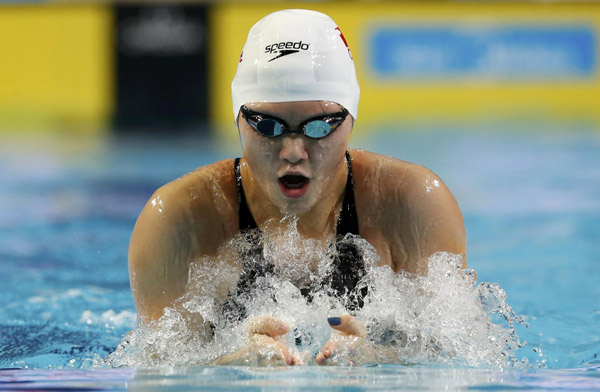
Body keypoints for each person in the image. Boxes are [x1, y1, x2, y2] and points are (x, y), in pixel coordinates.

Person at [128, 9, 466, 366]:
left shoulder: (412, 203)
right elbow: (156, 373)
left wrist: (377, 360)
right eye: (268, 126)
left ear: (351, 119)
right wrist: (232, 364)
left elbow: (459, 358)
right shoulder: (178, 220)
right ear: (238, 119)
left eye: (319, 126)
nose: (293, 152)